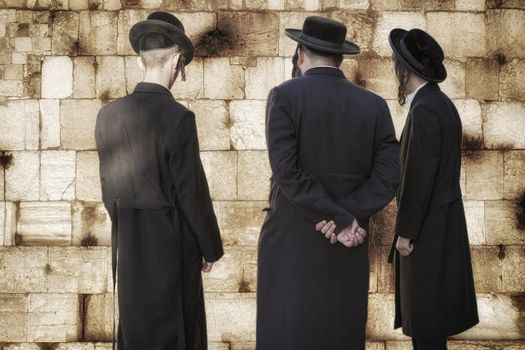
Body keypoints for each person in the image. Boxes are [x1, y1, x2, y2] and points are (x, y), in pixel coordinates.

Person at [257, 16, 400, 350]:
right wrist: (347, 216)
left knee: (287, 333)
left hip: (292, 241)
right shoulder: (374, 106)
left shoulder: (283, 96)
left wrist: (338, 216)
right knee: (339, 331)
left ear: (301, 53)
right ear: (339, 58)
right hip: (347, 245)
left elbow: (286, 172)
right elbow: (388, 177)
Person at [95, 11, 223, 350]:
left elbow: (109, 191)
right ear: (178, 59)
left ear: (140, 62)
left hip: (131, 245)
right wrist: (209, 247)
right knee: (177, 331)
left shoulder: (107, 115)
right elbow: (191, 192)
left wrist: (134, 222)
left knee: (137, 331)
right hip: (172, 245)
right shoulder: (178, 117)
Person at [387, 28, 479, 350]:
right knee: (431, 326)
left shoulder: (425, 109)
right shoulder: (440, 104)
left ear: (404, 69)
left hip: (426, 234)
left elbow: (419, 175)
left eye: (395, 63)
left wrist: (406, 233)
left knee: (426, 326)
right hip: (439, 228)